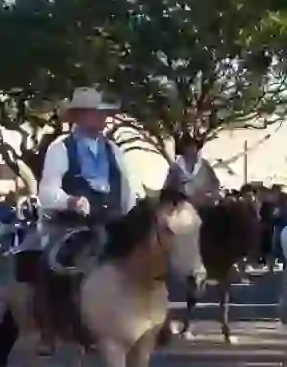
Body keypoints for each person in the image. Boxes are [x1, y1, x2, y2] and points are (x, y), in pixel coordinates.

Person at [22, 87, 137, 264]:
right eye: (95, 112)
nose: (102, 117)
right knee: (57, 270)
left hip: (113, 227)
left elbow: (127, 192)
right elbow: (47, 192)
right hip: (73, 228)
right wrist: (70, 201)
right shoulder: (61, 147)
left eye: (103, 113)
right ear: (78, 116)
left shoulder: (113, 150)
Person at [163, 138, 221, 207]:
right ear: (183, 151)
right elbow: (168, 189)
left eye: (193, 148)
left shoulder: (204, 165)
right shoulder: (175, 168)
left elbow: (215, 182)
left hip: (205, 206)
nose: (191, 151)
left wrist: (210, 193)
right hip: (183, 208)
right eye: (188, 148)